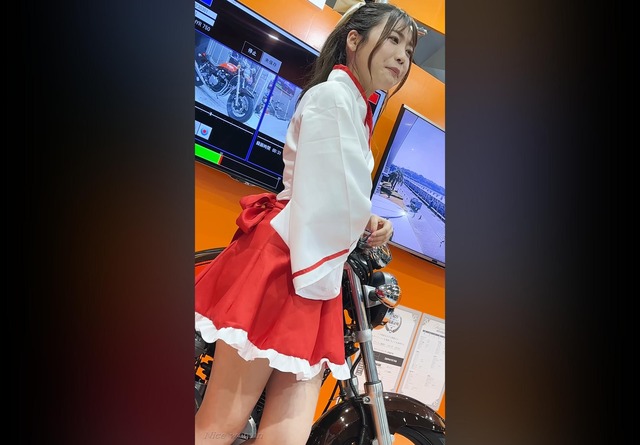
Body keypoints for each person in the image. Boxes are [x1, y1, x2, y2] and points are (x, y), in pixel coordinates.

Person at [194, 2, 418, 444]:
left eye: (409, 49)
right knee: (220, 425)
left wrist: (367, 218)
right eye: (393, 40)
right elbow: (329, 190)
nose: (401, 56)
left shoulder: (353, 106)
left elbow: (336, 188)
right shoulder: (332, 96)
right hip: (287, 259)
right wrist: (362, 218)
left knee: (285, 435)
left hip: (312, 264)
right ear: (353, 40)